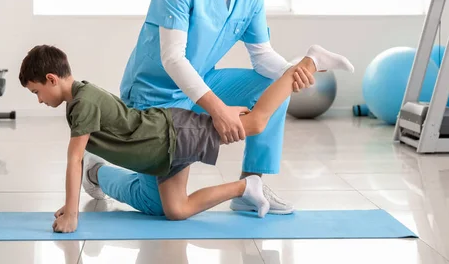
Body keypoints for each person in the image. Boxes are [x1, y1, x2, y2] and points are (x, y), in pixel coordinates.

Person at [93, 0, 319, 216]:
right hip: (155, 93)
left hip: (202, 81)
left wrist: (293, 72)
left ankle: (250, 185)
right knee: (161, 206)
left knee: (275, 86)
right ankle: (95, 173)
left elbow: (262, 55)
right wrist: (218, 110)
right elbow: (172, 58)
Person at [18, 44, 354, 233]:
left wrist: (73, 213)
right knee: (176, 211)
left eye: (36, 92)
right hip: (162, 153)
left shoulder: (82, 103)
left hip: (172, 135)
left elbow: (74, 157)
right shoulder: (80, 99)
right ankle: (245, 188)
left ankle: (309, 60)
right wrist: (70, 205)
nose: (39, 99)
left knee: (255, 123)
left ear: (51, 78)